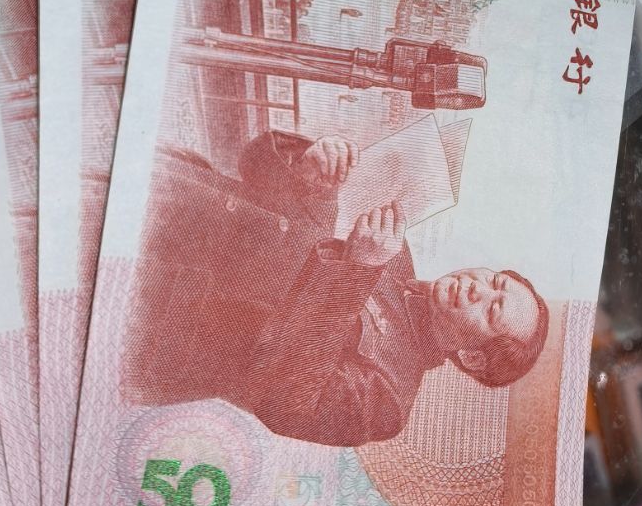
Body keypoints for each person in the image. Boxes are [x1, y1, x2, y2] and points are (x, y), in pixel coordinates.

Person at [125, 130, 549, 447]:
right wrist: (312, 177)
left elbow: (279, 401)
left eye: (491, 310)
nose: (477, 288)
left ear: (472, 356)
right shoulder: (395, 255)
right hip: (169, 193)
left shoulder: (388, 400)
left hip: (146, 313)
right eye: (494, 281)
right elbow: (264, 191)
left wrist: (355, 271)